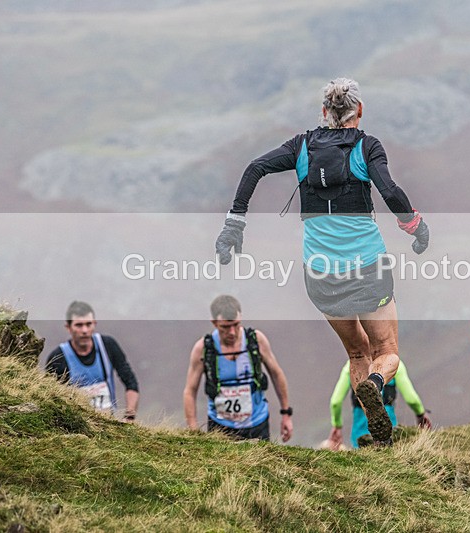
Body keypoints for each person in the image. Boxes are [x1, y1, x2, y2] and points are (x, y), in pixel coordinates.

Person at [214, 78, 429, 446]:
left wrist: (234, 224)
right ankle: (375, 386)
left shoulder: (301, 147)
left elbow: (254, 168)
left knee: (356, 351)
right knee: (387, 352)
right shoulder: (366, 147)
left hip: (321, 277)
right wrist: (415, 226)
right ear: (358, 111)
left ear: (325, 113)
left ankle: (375, 436)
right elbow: (390, 191)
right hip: (368, 270)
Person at [183, 295, 293, 442]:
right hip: (220, 426)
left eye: (236, 324)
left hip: (257, 423)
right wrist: (193, 430)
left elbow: (276, 374)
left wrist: (286, 414)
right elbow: (190, 390)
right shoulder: (203, 349)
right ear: (214, 323)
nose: (232, 332)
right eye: (225, 327)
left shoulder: (256, 340)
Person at [45, 301, 139, 421]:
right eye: (79, 325)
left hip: (110, 422)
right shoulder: (58, 358)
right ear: (68, 328)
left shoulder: (108, 345)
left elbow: (130, 381)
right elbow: (51, 399)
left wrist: (129, 417)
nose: (84, 330)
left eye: (88, 324)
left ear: (94, 324)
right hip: (79, 426)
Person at [326, 360, 431, 450]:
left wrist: (337, 425)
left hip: (360, 434)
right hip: (389, 430)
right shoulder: (394, 363)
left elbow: (336, 402)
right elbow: (411, 399)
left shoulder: (351, 364)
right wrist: (420, 414)